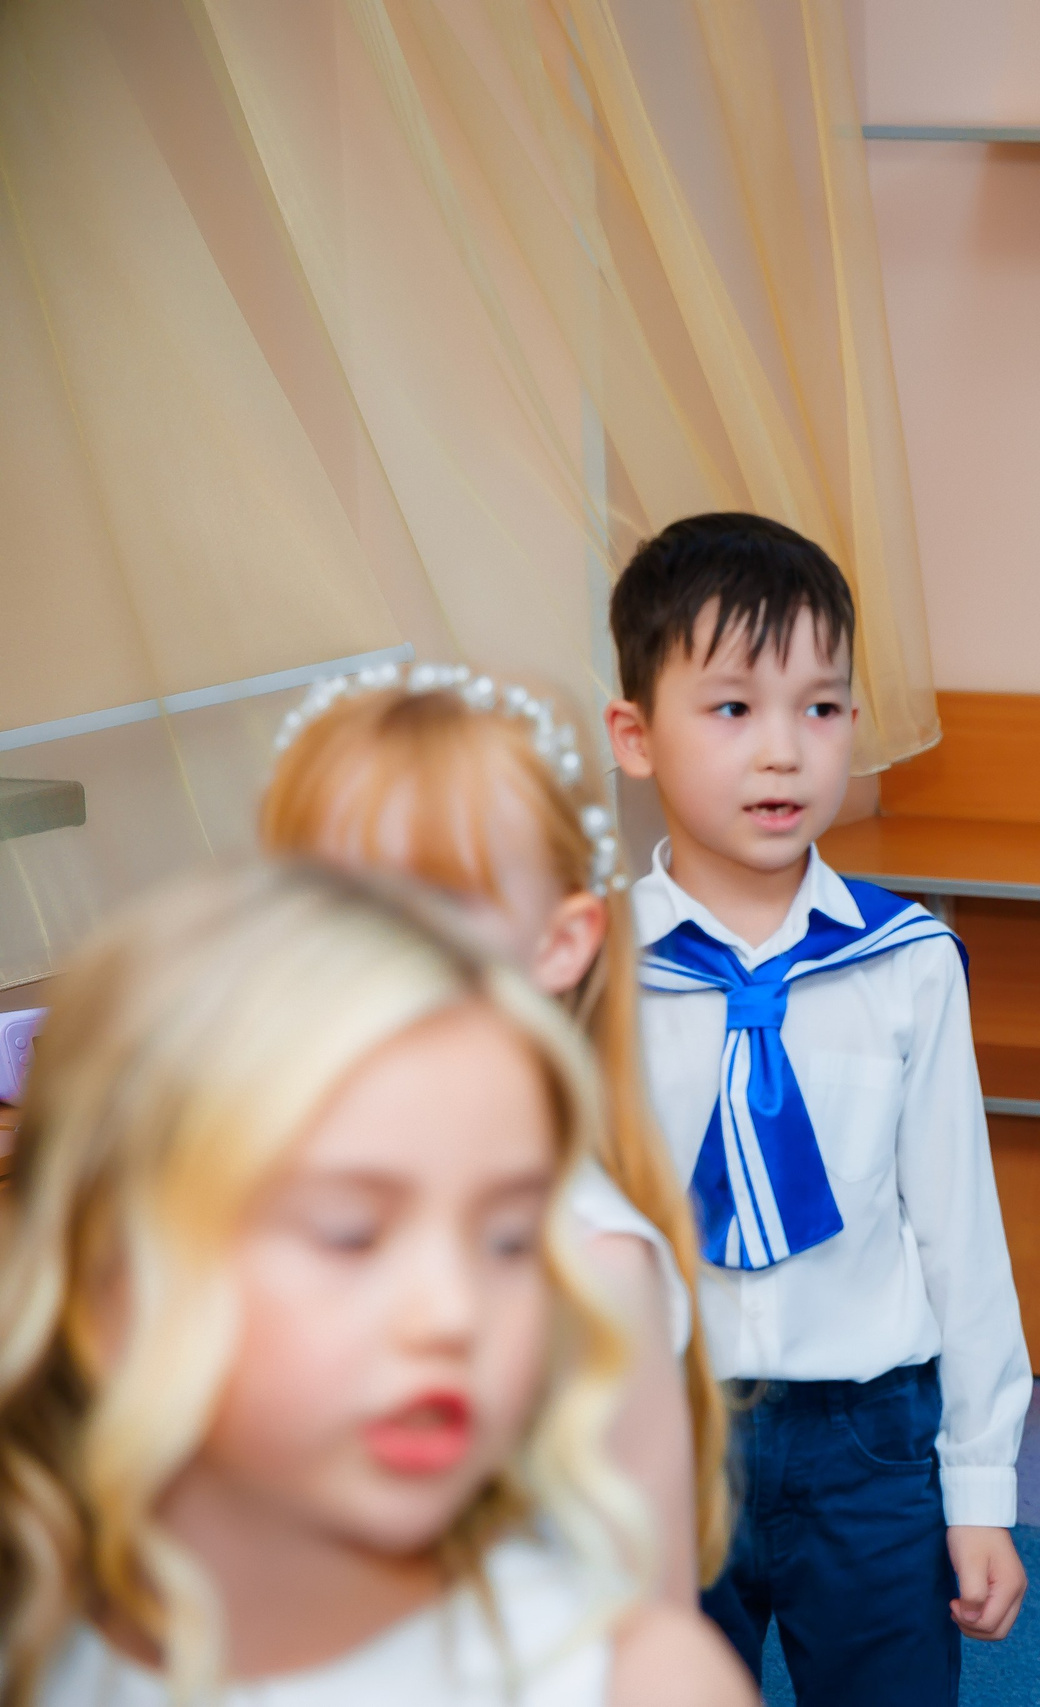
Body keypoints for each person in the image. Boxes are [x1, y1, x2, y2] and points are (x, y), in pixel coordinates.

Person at [0, 861, 753, 1707]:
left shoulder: (641, 1681)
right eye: (351, 1232)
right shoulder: (34, 1649)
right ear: (112, 1282)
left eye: (509, 1241)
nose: (455, 1313)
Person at [603, 512, 1031, 1701]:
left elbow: (959, 1235)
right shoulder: (589, 975)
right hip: (657, 1433)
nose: (784, 752)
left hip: (871, 1446)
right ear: (635, 736)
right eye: (733, 708)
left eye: (823, 707)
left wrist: (980, 1491)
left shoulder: (908, 961)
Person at [261, 662, 722, 1603]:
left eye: (433, 896)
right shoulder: (250, 1201)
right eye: (330, 896)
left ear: (559, 942)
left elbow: (653, 1619)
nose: (368, 942)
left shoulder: (592, 1264)